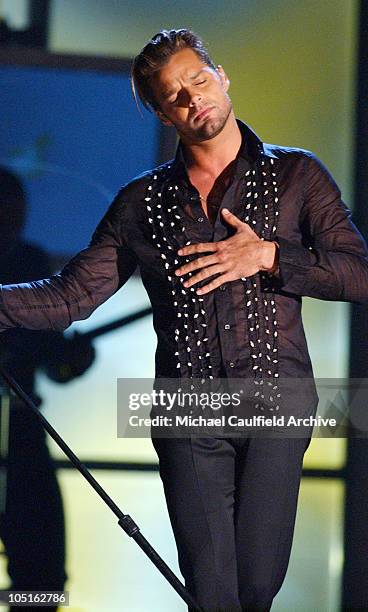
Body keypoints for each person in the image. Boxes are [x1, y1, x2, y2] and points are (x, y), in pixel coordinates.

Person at [0, 29, 367, 611]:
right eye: (175, 95)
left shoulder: (298, 175)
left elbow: (357, 273)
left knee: (255, 588)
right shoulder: (140, 203)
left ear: (221, 77)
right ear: (160, 113)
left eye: (199, 81)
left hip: (277, 399)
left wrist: (269, 255)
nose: (195, 99)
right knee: (214, 592)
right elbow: (71, 297)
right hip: (186, 408)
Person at [0, 168, 94, 612]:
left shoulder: (31, 263)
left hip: (21, 428)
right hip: (21, 429)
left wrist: (71, 359)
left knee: (41, 572)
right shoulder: (29, 263)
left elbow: (51, 356)